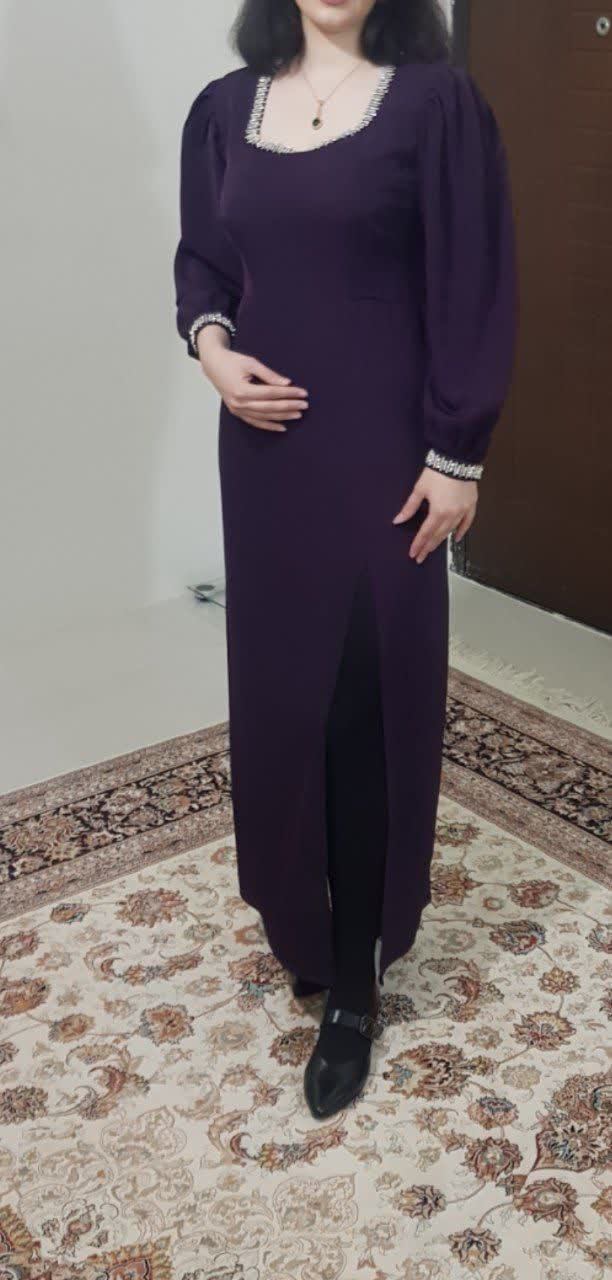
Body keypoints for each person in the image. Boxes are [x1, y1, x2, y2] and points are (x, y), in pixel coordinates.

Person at [173, 0, 518, 1120]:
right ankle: (302, 926)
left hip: (387, 452)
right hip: (265, 458)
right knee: (283, 697)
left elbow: (473, 279)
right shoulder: (223, 111)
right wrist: (213, 351)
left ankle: (358, 983)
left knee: (365, 701)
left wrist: (458, 453)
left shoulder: (437, 106)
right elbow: (204, 262)